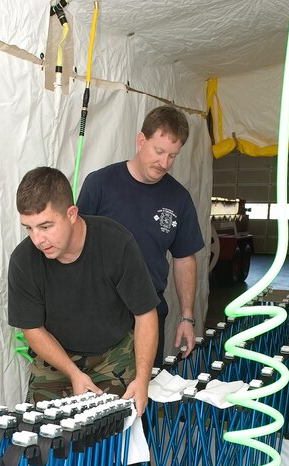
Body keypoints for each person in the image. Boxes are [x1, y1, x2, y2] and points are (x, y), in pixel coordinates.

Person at [8, 166, 159, 418]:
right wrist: (73, 372)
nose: (38, 240)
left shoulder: (116, 243)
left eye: (46, 226)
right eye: (29, 228)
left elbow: (145, 315)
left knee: (112, 436)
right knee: (41, 436)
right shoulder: (24, 260)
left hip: (112, 352)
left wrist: (142, 380)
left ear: (71, 214)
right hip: (56, 356)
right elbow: (33, 330)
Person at [77, 105, 205, 368]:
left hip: (149, 313)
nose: (164, 163)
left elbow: (184, 259)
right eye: (159, 151)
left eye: (172, 156)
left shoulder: (179, 198)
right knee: (102, 401)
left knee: (143, 398)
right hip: (100, 313)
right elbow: (75, 247)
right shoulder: (100, 184)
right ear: (140, 140)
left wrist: (187, 317)